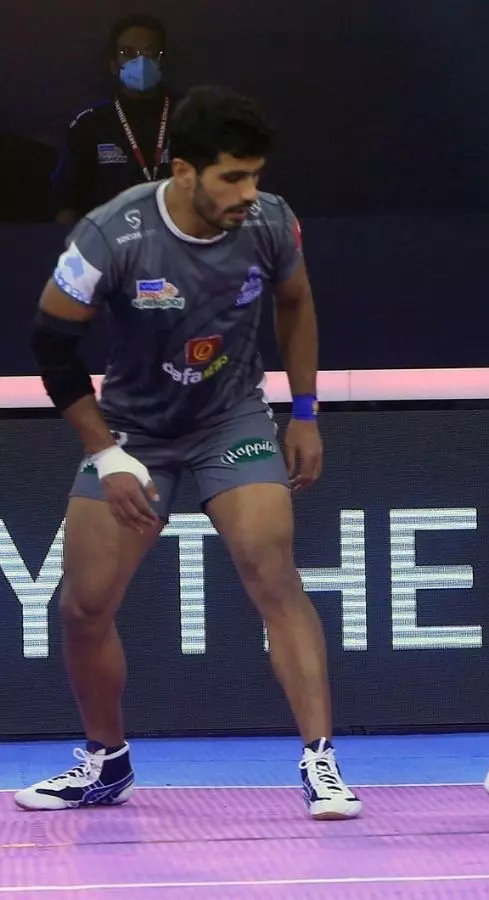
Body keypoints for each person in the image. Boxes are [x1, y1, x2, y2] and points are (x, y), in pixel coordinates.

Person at [19, 85, 360, 821]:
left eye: (255, 175)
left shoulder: (270, 222)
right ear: (183, 172)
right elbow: (50, 344)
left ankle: (321, 761)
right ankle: (106, 761)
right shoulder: (111, 236)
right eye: (233, 177)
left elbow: (296, 302)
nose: (249, 192)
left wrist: (305, 411)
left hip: (231, 420)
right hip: (133, 432)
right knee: (82, 605)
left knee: (273, 572)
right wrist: (106, 454)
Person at [55, 14, 180, 225]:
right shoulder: (89, 125)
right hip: (110, 238)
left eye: (151, 52)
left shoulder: (190, 116)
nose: (141, 61)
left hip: (178, 235)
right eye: (128, 53)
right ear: (113, 64)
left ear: (163, 60)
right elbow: (66, 203)